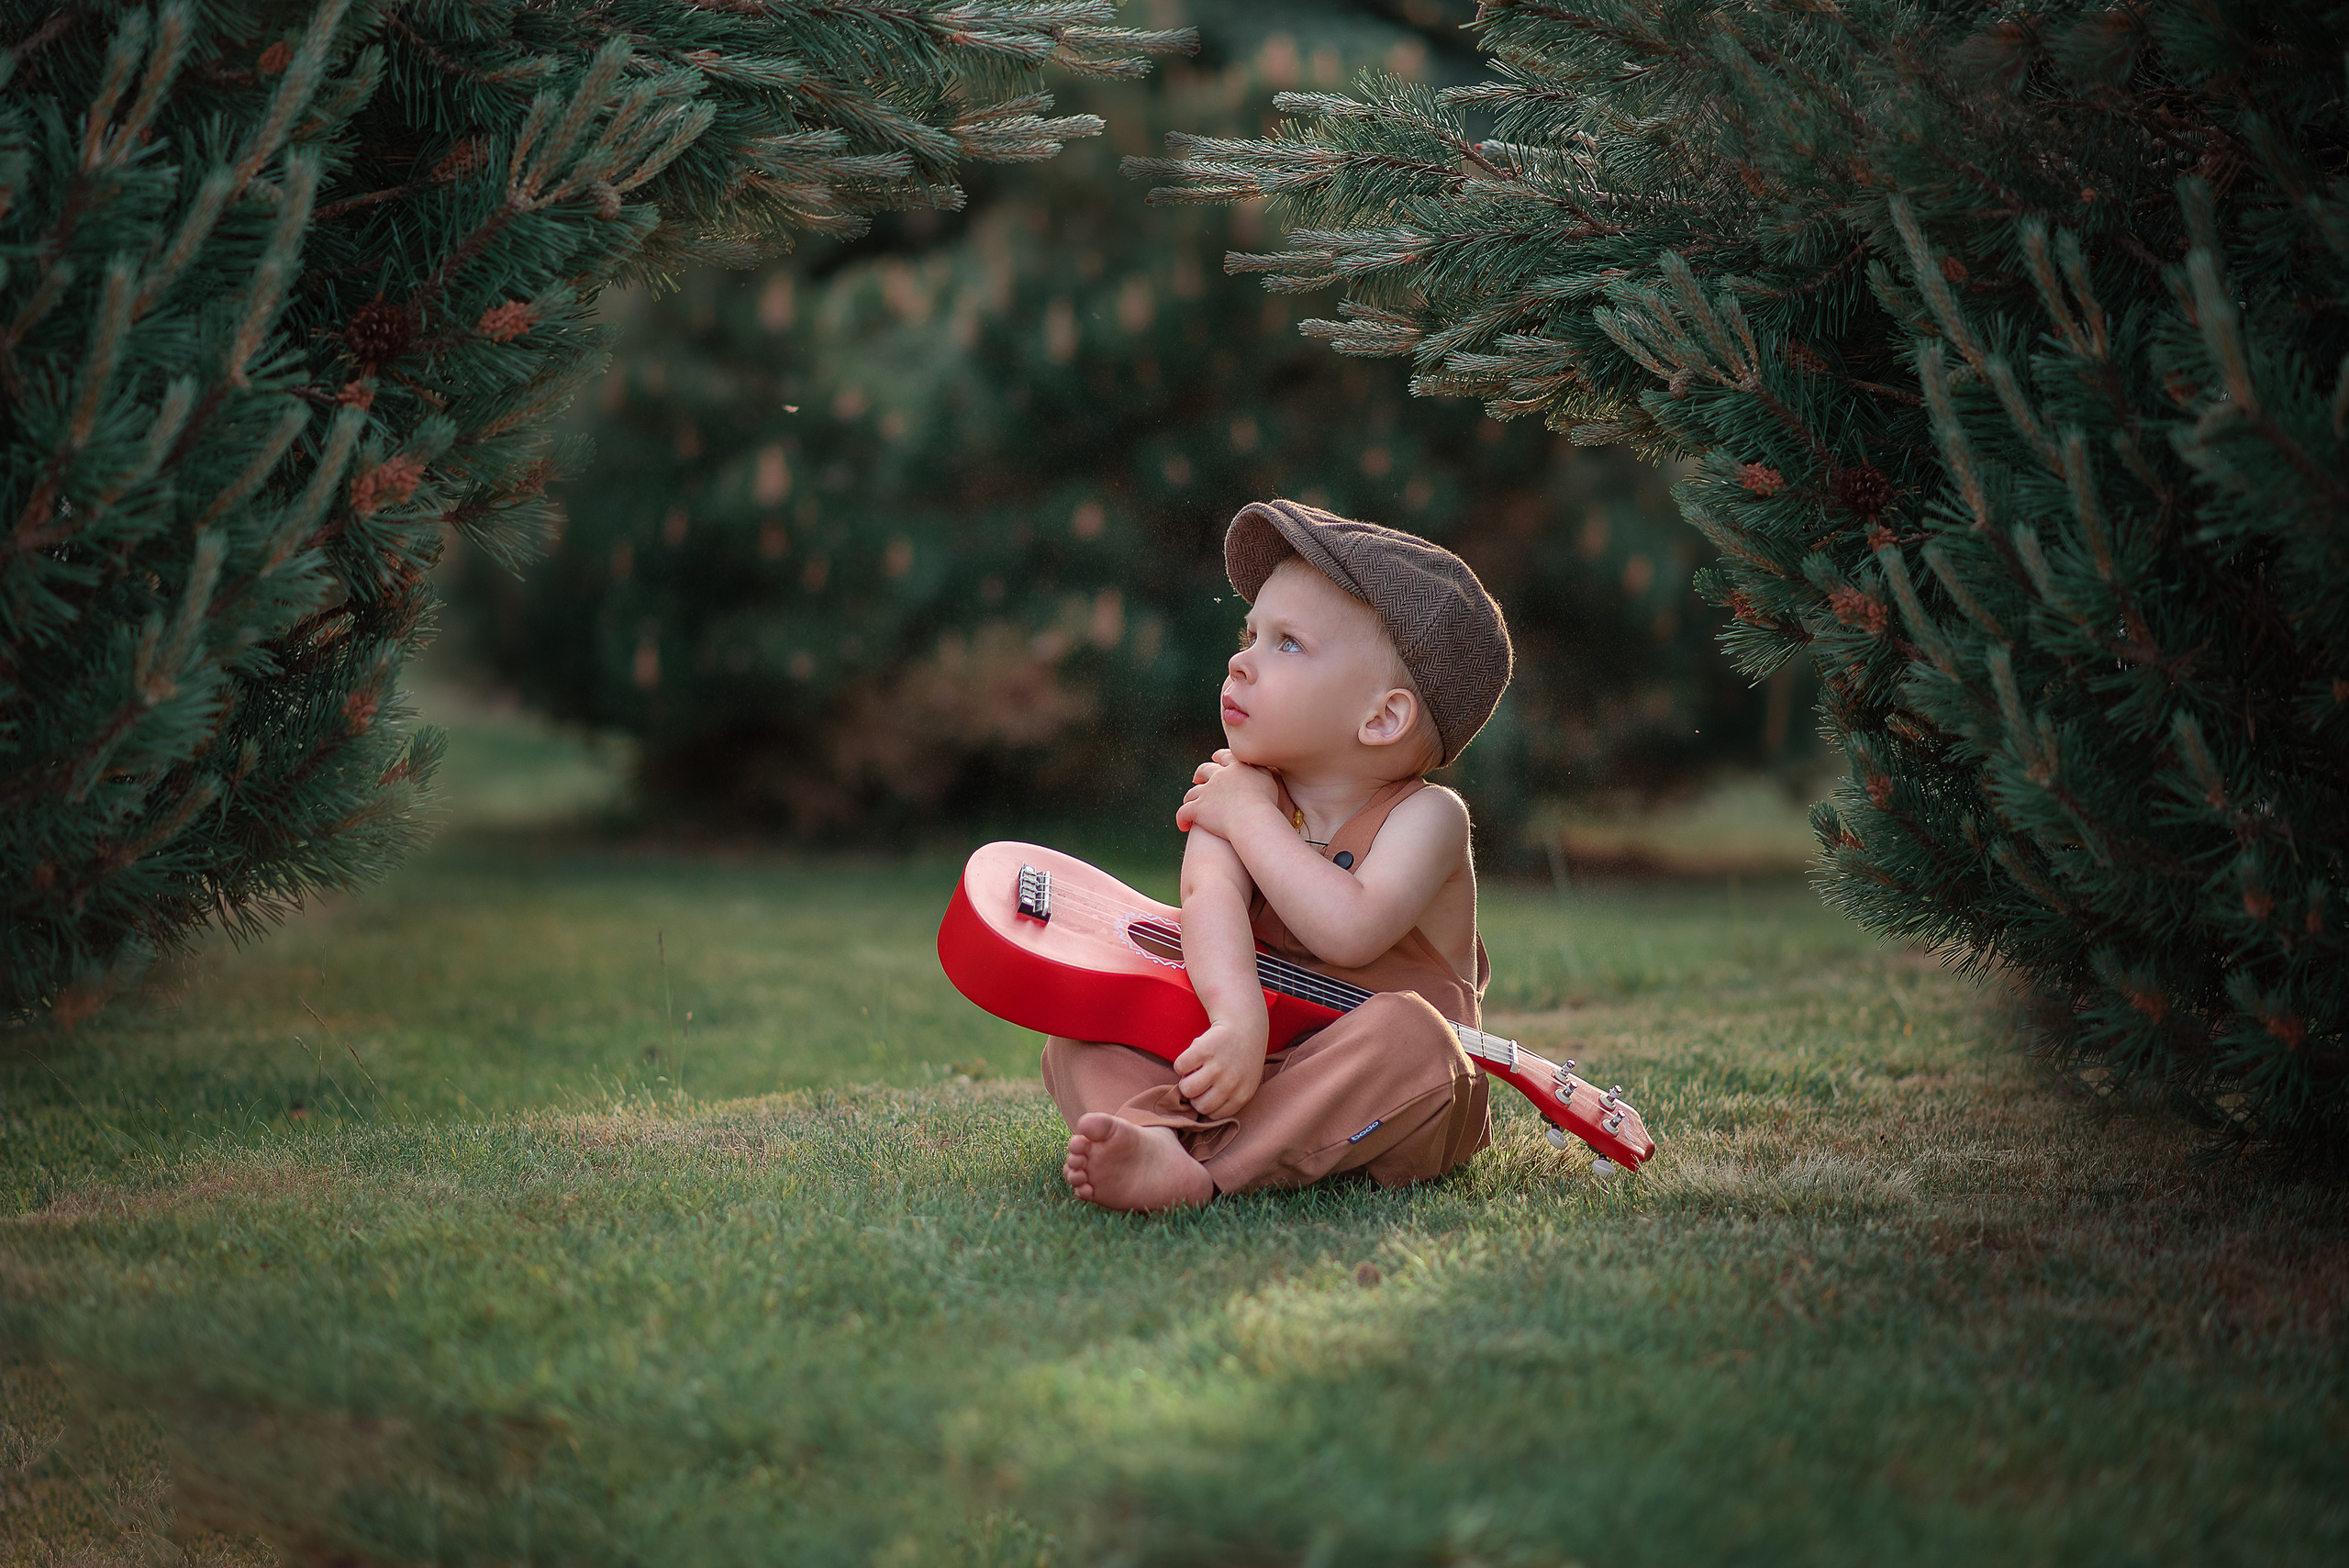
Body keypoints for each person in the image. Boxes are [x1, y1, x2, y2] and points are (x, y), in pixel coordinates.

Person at [1043, 499, 1514, 1210]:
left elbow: (1349, 928)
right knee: (1079, 1032)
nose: (1241, 660)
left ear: (1382, 717)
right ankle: (1155, 1139)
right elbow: (1208, 899)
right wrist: (1235, 1021)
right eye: (1250, 633)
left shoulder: (1427, 818)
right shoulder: (1239, 788)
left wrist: (1251, 820)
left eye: (1286, 644)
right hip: (1258, 1059)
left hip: (1384, 1095)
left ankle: (1202, 1166)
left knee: (1417, 1035)